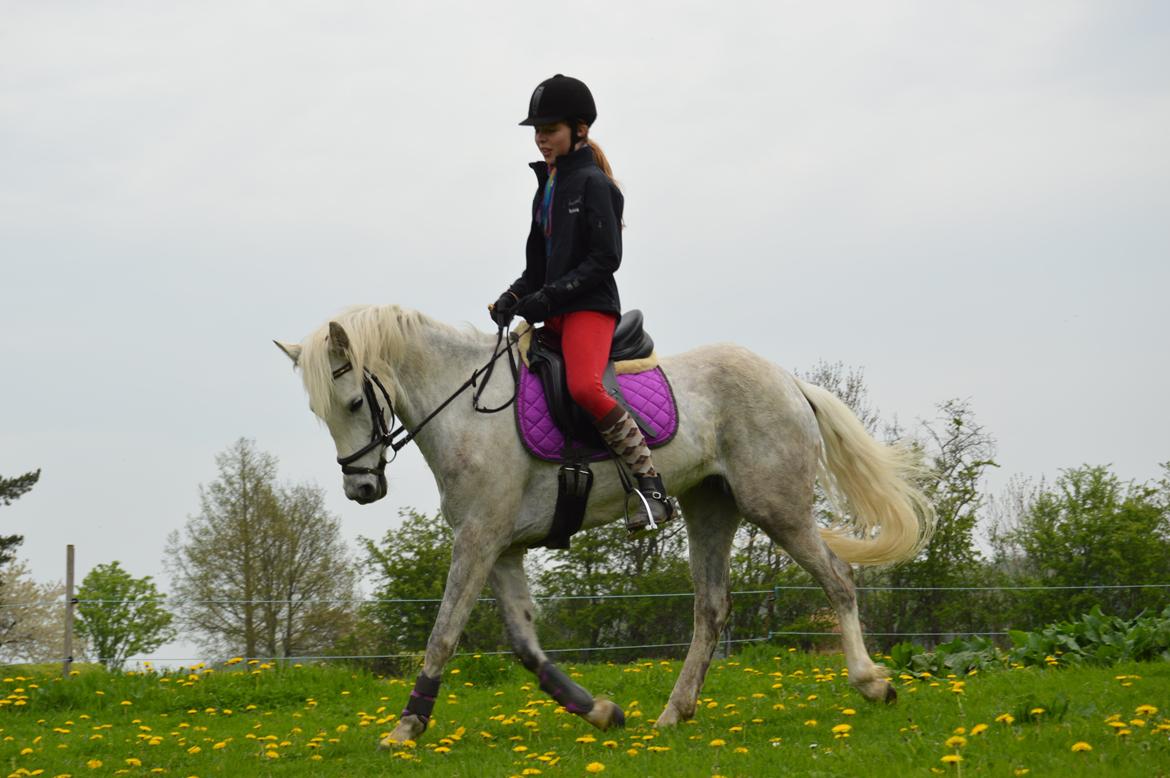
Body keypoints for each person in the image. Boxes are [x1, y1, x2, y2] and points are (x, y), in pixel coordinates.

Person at [489, 74, 675, 534]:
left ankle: (650, 483)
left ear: (579, 129)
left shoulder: (596, 185)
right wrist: (513, 296)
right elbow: (538, 267)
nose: (541, 138)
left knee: (586, 388)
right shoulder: (545, 189)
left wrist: (549, 296)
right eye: (537, 130)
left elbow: (605, 258)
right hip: (553, 309)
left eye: (549, 129)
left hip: (590, 307)